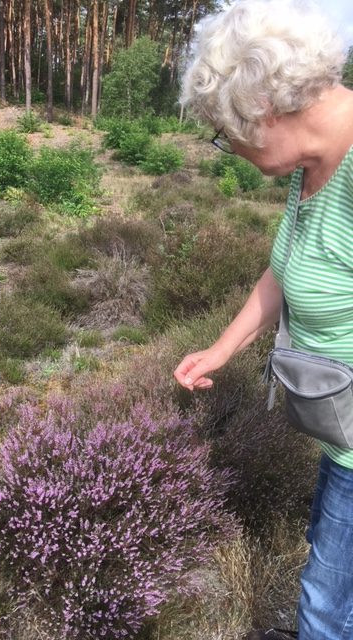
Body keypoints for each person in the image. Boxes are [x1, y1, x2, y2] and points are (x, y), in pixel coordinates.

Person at [175, 1, 353, 639]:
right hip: (344, 440)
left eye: (229, 132)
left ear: (265, 110)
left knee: (326, 611)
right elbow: (285, 270)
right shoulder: (310, 167)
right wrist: (223, 349)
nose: (234, 150)